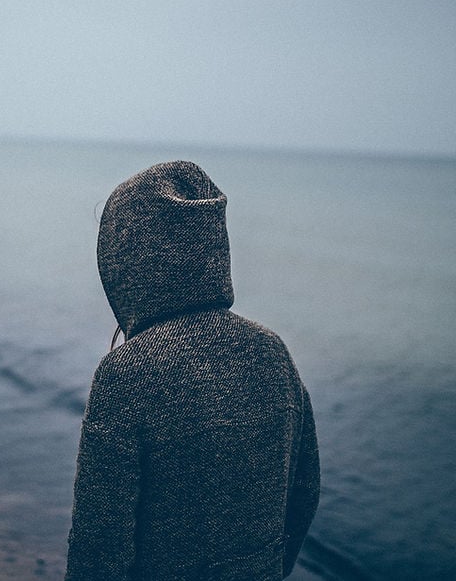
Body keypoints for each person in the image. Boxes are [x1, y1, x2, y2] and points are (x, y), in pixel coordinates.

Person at [65, 161, 319, 581]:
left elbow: (99, 546)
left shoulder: (127, 375)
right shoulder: (272, 352)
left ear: (126, 261)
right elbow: (304, 494)